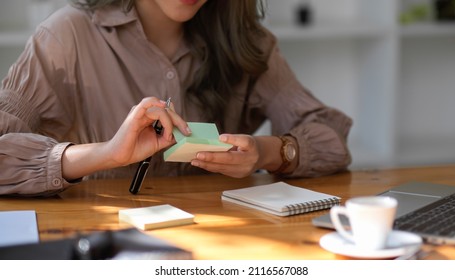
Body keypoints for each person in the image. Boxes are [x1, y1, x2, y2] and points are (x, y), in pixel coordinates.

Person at [0, 0, 352, 196]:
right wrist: (104, 154)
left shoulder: (247, 42)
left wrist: (268, 152)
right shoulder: (67, 35)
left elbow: (331, 139)